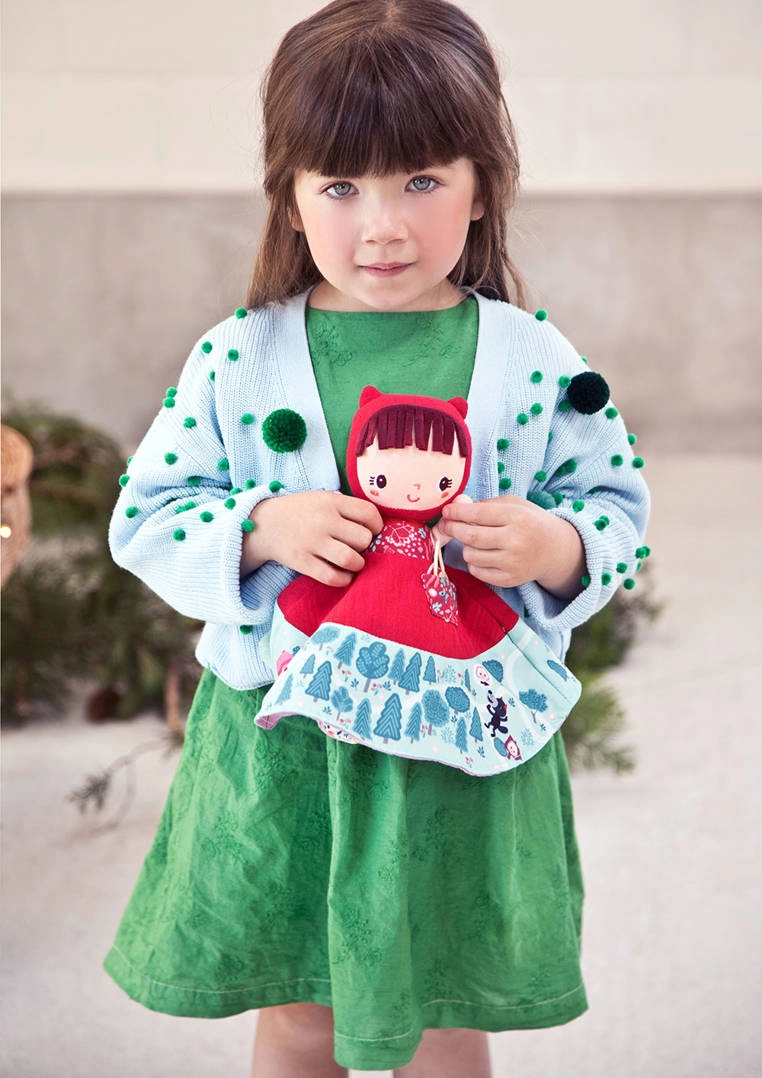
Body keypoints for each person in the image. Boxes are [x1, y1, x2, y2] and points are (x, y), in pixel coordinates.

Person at [104, 0, 650, 1074]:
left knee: (445, 1009)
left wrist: (555, 548)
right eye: (342, 187)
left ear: (484, 184)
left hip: (462, 757)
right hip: (288, 751)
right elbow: (146, 515)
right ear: (291, 195)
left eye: (422, 182)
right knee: (300, 1012)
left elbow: (615, 510)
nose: (384, 226)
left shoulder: (534, 359)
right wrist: (260, 527)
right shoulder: (238, 357)